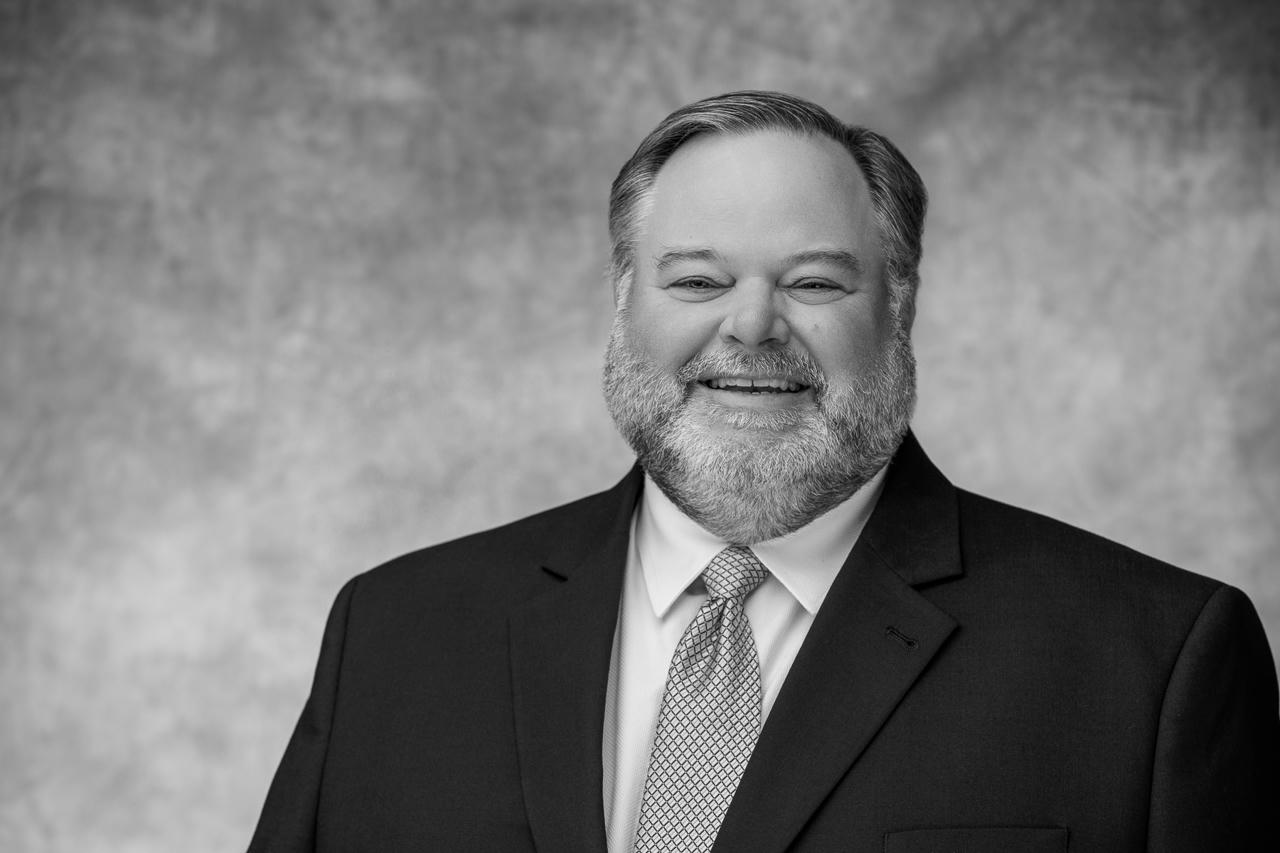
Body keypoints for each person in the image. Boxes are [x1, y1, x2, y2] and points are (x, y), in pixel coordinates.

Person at [247, 91, 1278, 853]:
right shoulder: (395, 633)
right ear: (622, 303)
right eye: (695, 279)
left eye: (814, 281)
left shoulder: (1149, 662)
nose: (749, 326)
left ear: (899, 305)